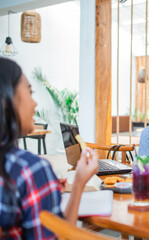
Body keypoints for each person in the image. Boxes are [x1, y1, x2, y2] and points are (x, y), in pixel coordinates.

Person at [0, 57, 99, 239]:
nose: (35, 104)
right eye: (30, 92)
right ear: (7, 101)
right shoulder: (31, 170)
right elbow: (60, 236)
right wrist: (78, 183)